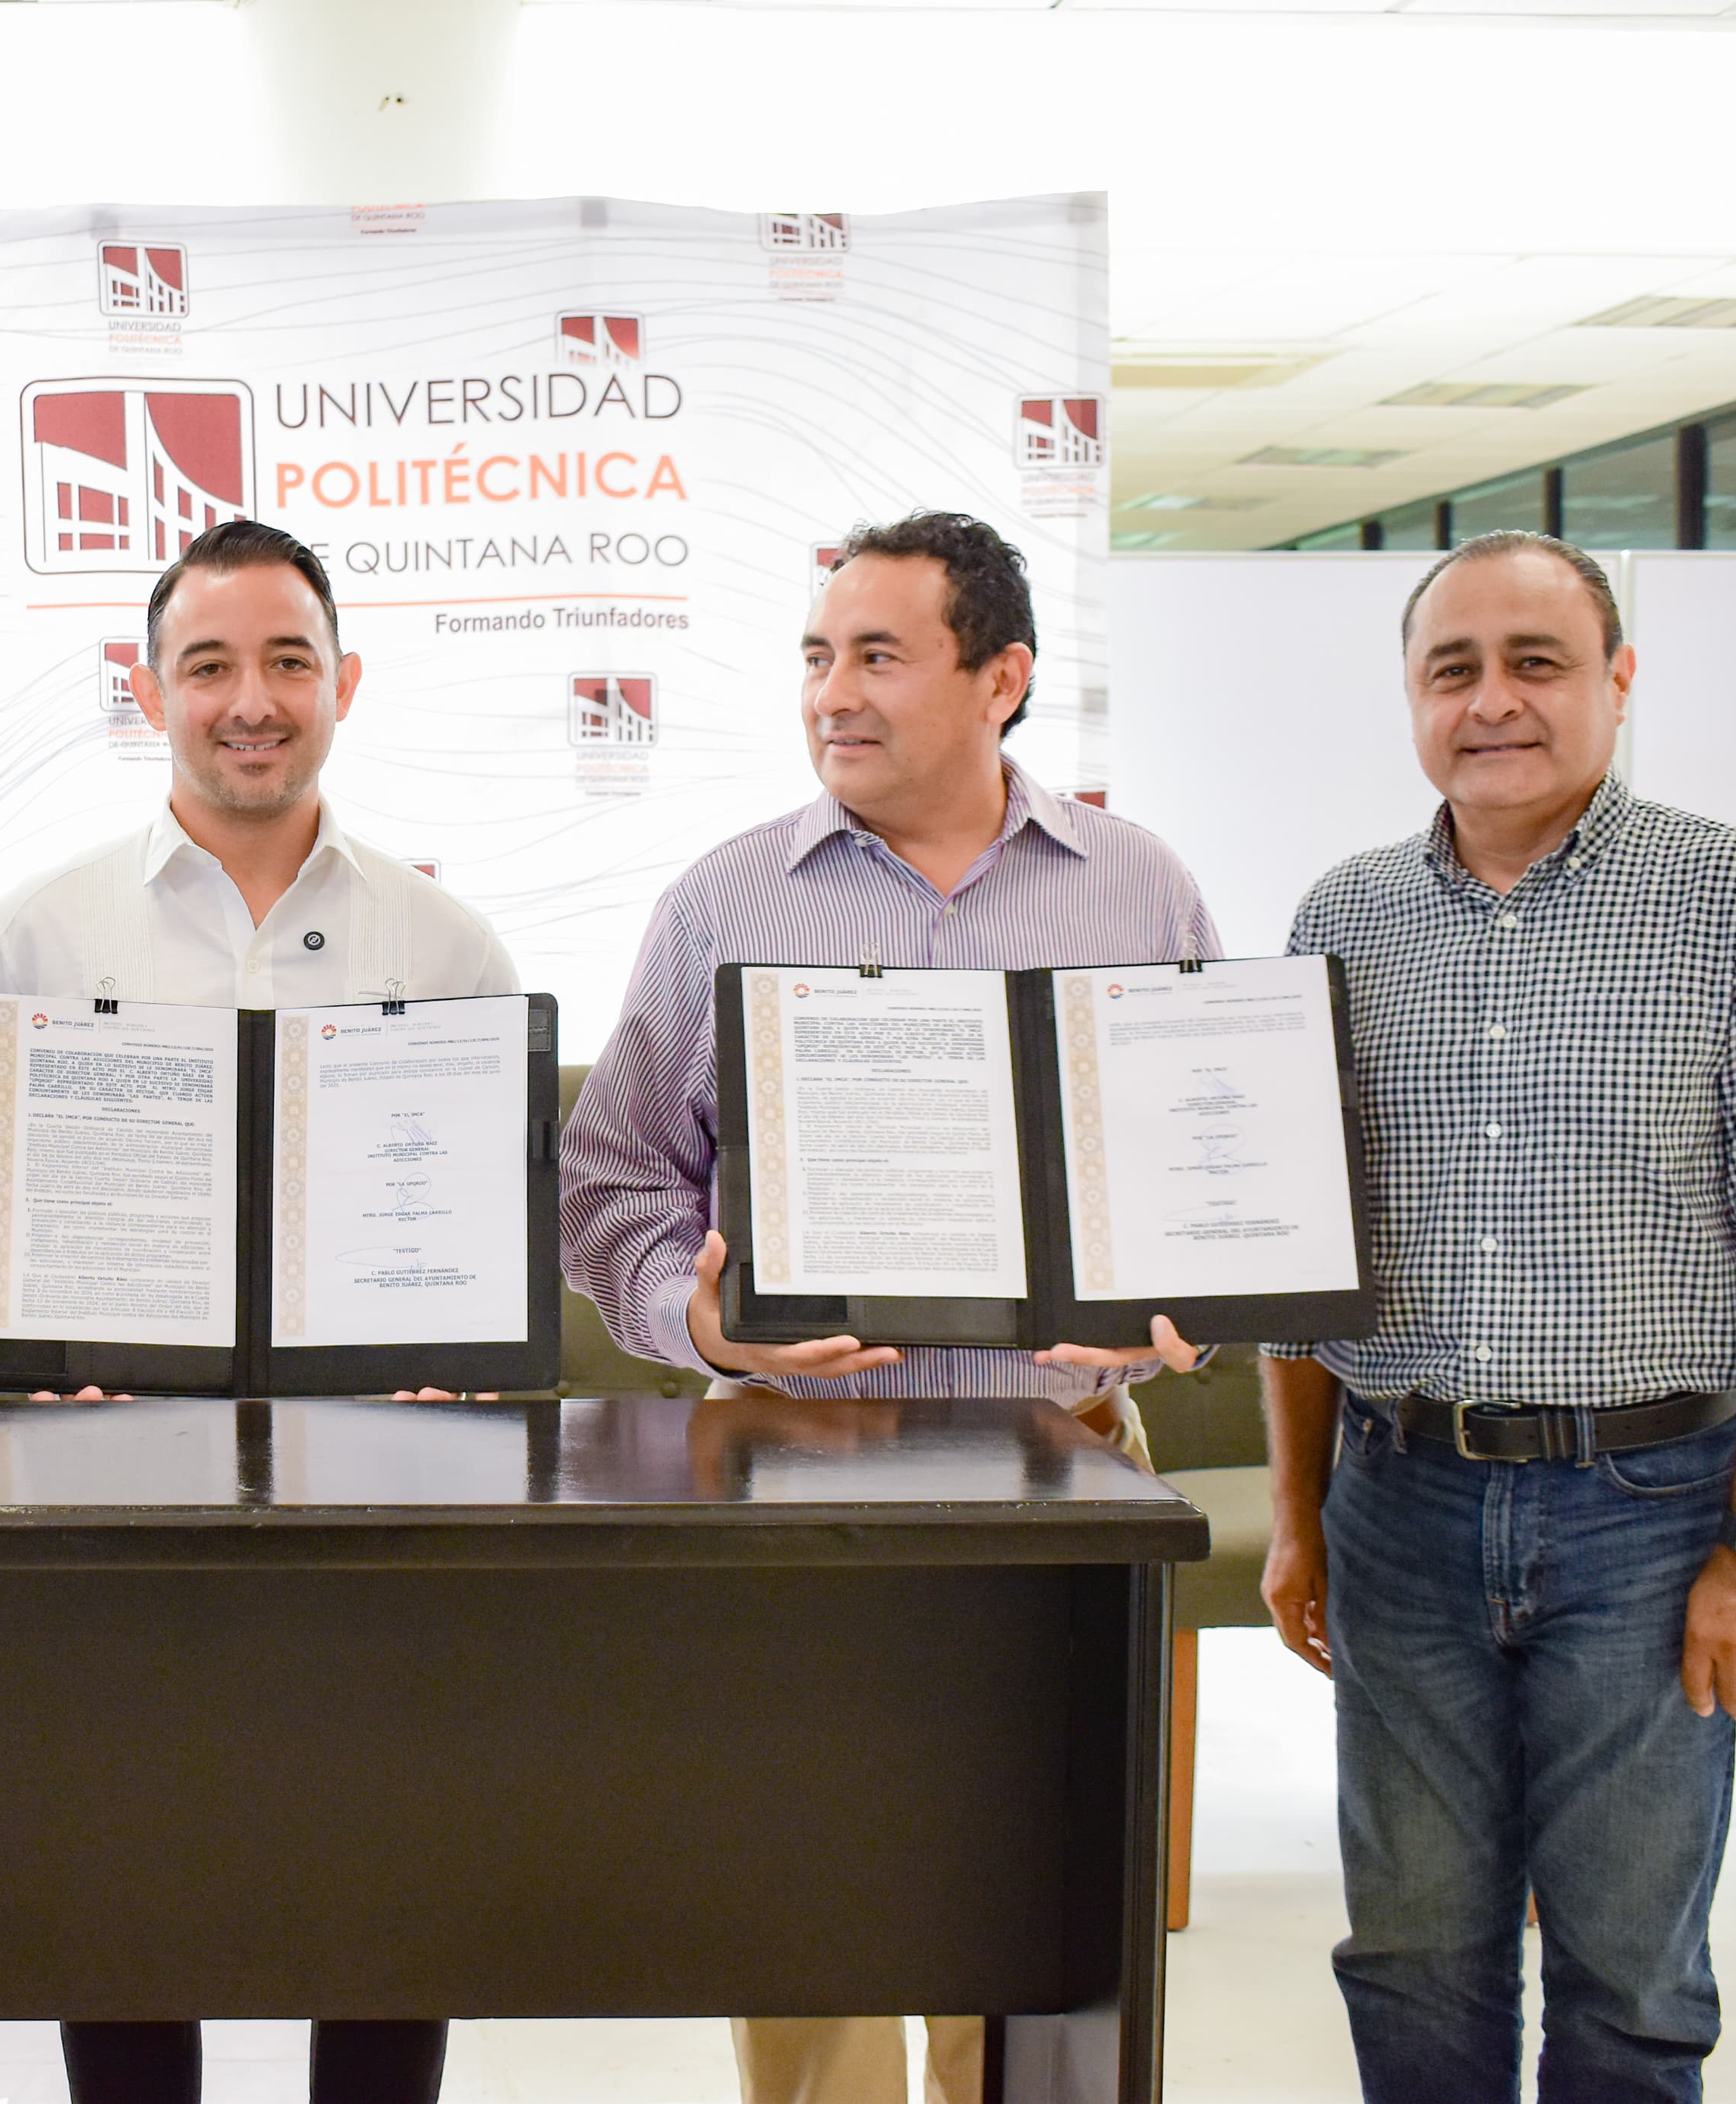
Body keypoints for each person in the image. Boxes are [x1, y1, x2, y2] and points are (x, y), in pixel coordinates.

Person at [557, 511, 1215, 2104]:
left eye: (875, 655)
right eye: (814, 656)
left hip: (1059, 1486)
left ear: (1002, 678)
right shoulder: (725, 900)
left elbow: (1205, 1167)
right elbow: (609, 1182)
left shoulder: (1138, 889)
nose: (831, 693)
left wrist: (1189, 1300)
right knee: (811, 1915)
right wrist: (701, 1326)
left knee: (1040, 1932)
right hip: (795, 1486)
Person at [1257, 530, 1736, 2104]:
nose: (1492, 702)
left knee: (1629, 1977)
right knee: (1409, 1953)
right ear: (1412, 695)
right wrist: (1299, 1514)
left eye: (1535, 662)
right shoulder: (1343, 913)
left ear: (1617, 678)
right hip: (1397, 1501)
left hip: (1652, 1515)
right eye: (1451, 668)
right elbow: (1297, 1252)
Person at [0, 517, 515, 2104]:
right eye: (208, 665)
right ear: (148, 690)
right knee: (124, 1892)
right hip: (113, 1496)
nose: (250, 700)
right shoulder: (41, 931)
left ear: (345, 683)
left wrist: (458, 1359)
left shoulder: (445, 942)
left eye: (286, 662)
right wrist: (32, 1344)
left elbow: (487, 1207)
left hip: (380, 1507)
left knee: (381, 1898)